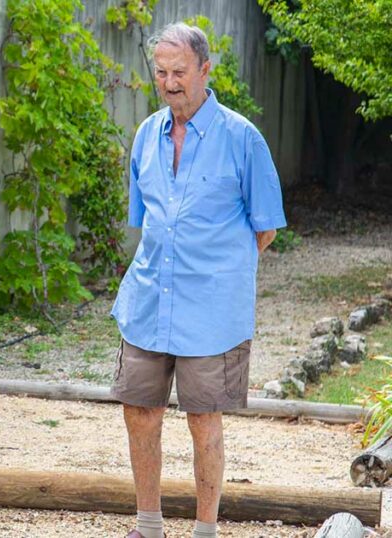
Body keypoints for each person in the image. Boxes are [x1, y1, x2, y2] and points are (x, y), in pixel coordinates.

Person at [110, 23, 286, 538]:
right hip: (147, 303)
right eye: (161, 73)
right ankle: (149, 525)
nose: (169, 83)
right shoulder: (146, 134)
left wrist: (218, 271)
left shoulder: (243, 138)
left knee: (203, 419)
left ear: (205, 70)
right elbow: (146, 222)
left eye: (179, 72)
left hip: (211, 312)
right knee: (140, 412)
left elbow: (265, 229)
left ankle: (205, 531)